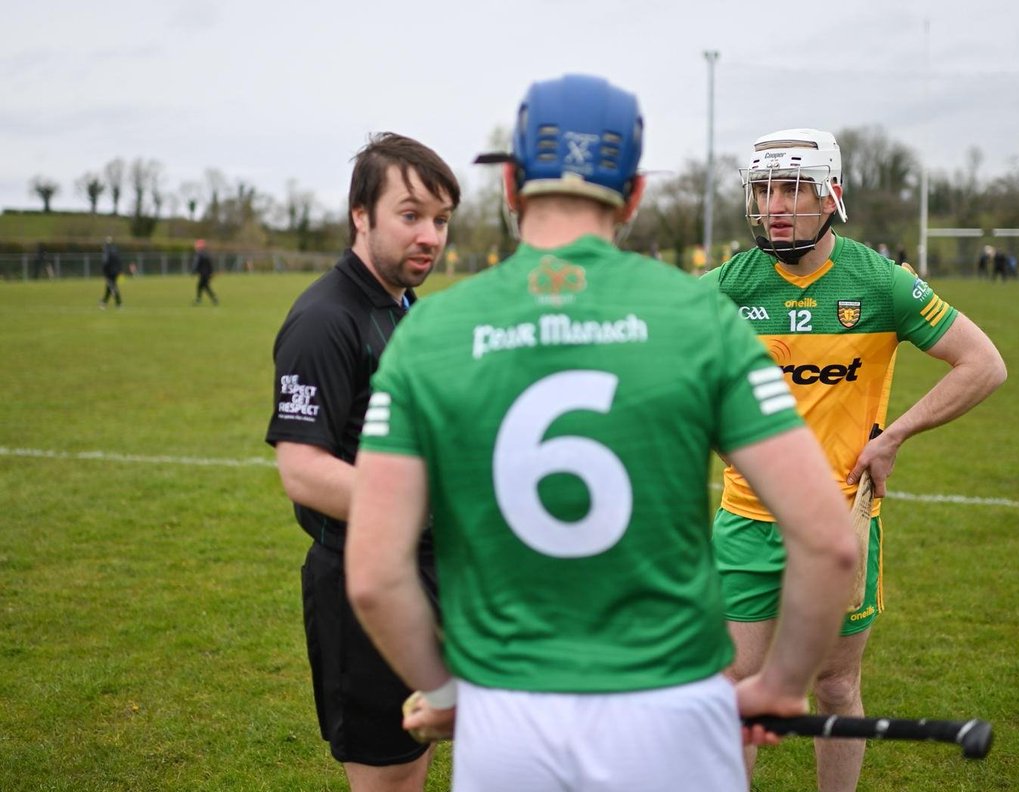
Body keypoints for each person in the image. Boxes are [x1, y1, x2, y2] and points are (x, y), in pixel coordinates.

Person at [345, 75, 858, 792]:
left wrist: (449, 690)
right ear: (637, 192)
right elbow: (831, 540)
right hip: (676, 715)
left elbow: (371, 575)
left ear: (513, 186)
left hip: (509, 723)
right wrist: (781, 683)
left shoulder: (429, 330)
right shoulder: (698, 318)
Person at [702, 128, 1007, 792]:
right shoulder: (729, 284)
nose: (774, 204)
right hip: (746, 520)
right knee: (731, 690)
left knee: (837, 685)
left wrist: (894, 435)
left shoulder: (880, 283)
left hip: (840, 522)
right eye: (763, 189)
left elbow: (983, 364)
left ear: (829, 195)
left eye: (791, 189)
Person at [265, 132, 460, 792]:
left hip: (426, 572)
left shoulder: (405, 309)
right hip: (361, 583)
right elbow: (303, 469)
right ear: (361, 214)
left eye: (440, 220)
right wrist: (431, 502)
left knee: (416, 763)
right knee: (387, 779)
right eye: (410, 215)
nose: (430, 236)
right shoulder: (326, 319)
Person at [191, 239, 219, 305]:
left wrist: (193, 271)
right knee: (204, 286)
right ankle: (213, 299)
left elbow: (196, 263)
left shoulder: (199, 254)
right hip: (207, 274)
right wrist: (211, 273)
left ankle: (199, 300)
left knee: (202, 286)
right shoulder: (206, 254)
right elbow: (210, 265)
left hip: (203, 274)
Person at [99, 236, 123, 309]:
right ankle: (104, 302)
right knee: (109, 287)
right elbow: (119, 261)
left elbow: (105, 262)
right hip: (116, 272)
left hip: (109, 272)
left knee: (112, 287)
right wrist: (119, 270)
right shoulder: (115, 250)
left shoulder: (106, 251)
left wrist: (104, 273)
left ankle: (119, 303)